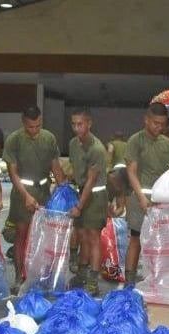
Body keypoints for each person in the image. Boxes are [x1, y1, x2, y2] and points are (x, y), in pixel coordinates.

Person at [4, 105, 64, 293]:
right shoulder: (14, 140)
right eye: (30, 127)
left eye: (38, 126)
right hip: (22, 193)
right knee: (22, 234)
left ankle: (39, 276)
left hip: (44, 192)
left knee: (42, 236)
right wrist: (26, 196)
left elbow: (56, 167)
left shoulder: (49, 138)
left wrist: (63, 190)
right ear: (23, 123)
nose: (34, 130)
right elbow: (12, 173)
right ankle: (19, 277)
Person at [124, 102, 169, 286]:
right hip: (140, 199)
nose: (159, 127)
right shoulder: (135, 141)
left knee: (159, 242)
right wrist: (141, 198)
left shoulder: (167, 143)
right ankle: (129, 281)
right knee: (136, 239)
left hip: (161, 200)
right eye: (155, 123)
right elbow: (131, 171)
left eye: (162, 124)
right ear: (146, 120)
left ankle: (155, 281)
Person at [67, 109, 109, 296]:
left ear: (89, 124)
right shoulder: (73, 144)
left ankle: (93, 281)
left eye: (80, 124)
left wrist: (79, 206)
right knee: (82, 235)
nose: (77, 128)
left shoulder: (97, 149)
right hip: (81, 192)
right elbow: (76, 171)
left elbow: (91, 182)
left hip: (95, 196)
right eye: (74, 124)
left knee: (93, 238)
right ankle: (81, 275)